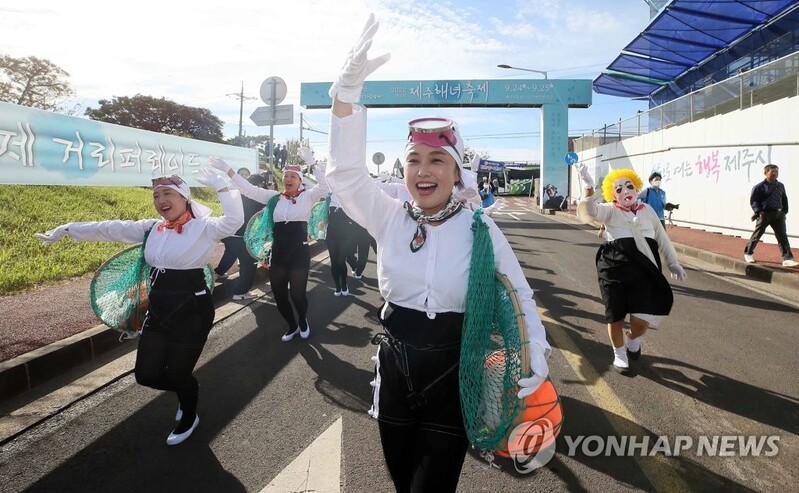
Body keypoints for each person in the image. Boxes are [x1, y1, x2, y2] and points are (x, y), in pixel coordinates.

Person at [325, 15, 550, 492]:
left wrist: (536, 356)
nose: (423, 171)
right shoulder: (387, 216)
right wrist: (345, 98)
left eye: (436, 161)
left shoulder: (480, 228)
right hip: (396, 369)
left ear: (457, 170)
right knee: (403, 482)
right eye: (414, 161)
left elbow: (519, 295)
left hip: (456, 373)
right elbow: (344, 174)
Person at [35, 168, 244, 445]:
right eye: (156, 195)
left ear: (184, 197)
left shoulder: (204, 227)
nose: (160, 199)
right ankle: (186, 391)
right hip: (158, 308)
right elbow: (110, 228)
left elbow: (234, 220)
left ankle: (189, 412)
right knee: (146, 375)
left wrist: (222, 185)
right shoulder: (151, 228)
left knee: (180, 371)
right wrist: (67, 229)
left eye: (168, 193)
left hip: (192, 309)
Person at [575, 164, 687, 374]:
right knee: (615, 315)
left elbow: (662, 237)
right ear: (613, 195)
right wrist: (588, 187)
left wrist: (673, 261)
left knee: (641, 320)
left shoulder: (648, 210)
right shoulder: (610, 210)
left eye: (629, 186)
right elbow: (591, 211)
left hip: (643, 271)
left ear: (636, 188)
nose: (625, 191)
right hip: (613, 268)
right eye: (619, 190)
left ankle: (632, 338)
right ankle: (619, 354)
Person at [209, 150, 330, 341]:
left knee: (298, 294)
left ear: (300, 180)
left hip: (300, 252)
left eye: (293, 176)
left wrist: (312, 163)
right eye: (286, 176)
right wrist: (227, 170)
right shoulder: (273, 198)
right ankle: (292, 325)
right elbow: (248, 189)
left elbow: (324, 186)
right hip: (278, 253)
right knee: (280, 295)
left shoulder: (308, 197)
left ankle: (303, 320)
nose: (288, 179)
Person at [744, 164, 798, 267]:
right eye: (772, 171)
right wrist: (759, 211)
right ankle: (748, 253)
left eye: (776, 171)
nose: (775, 173)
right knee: (757, 234)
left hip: (778, 215)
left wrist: (784, 212)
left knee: (782, 236)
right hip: (765, 214)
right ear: (766, 173)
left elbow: (784, 199)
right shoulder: (759, 187)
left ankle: (787, 259)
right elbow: (754, 201)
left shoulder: (780, 185)